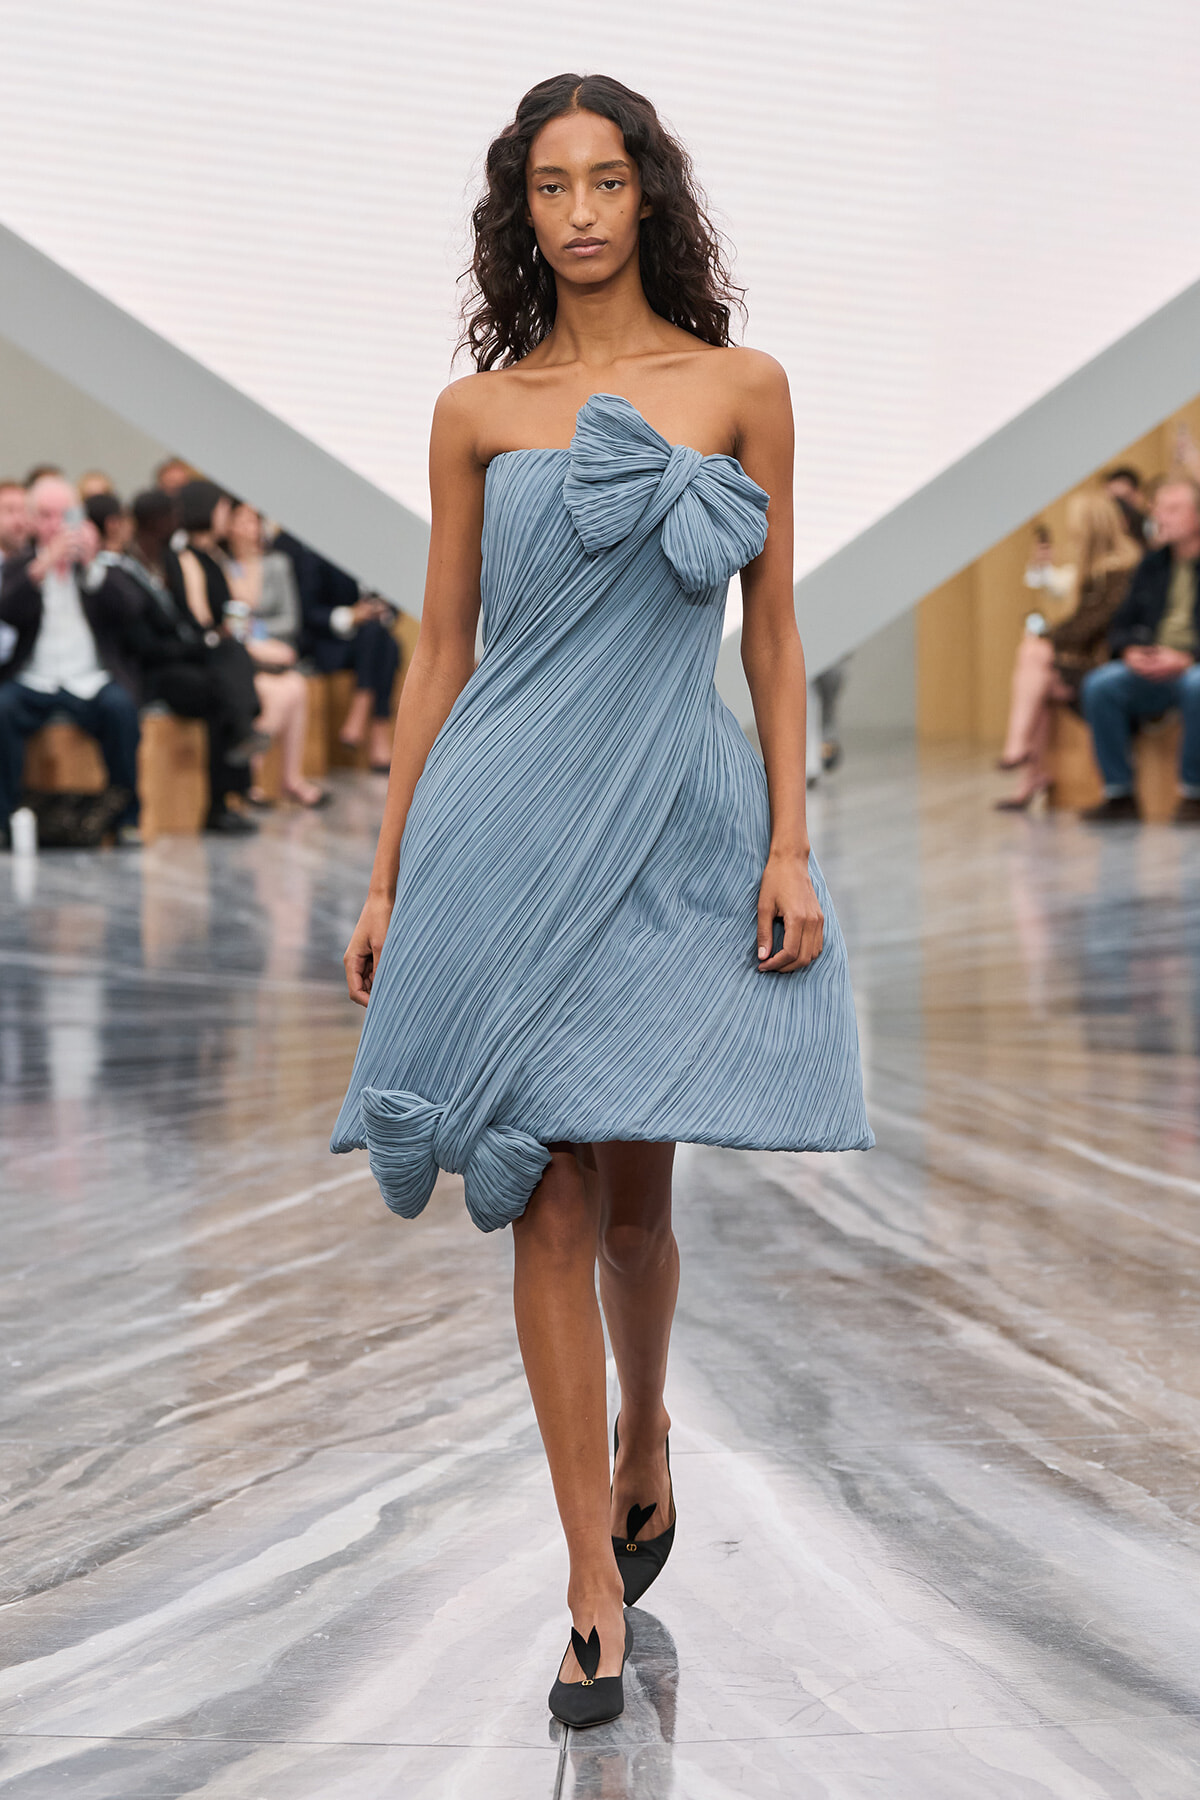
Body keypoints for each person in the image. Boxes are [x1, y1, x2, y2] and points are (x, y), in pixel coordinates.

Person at [329, 73, 872, 1728]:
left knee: (638, 1206)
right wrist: (389, 870)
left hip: (676, 821)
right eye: (551, 185)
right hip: (502, 821)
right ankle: (586, 1587)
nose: (579, 211)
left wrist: (790, 841)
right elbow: (441, 649)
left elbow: (773, 632)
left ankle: (647, 1430)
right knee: (547, 1202)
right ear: (523, 209)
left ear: (651, 197)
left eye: (607, 180)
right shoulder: (474, 413)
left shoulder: (742, 388)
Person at [0, 475, 141, 845]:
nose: (55, 525)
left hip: (88, 680)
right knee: (2, 708)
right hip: (34, 680)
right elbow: (8, 609)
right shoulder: (20, 566)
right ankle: (5, 819)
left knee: (122, 709)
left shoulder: (96, 565)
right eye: (45, 515)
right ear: (33, 520)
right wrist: (42, 566)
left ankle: (127, 818)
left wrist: (91, 566)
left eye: (64, 515)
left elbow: (129, 611)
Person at [115, 488, 262, 835]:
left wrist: (204, 641)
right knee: (218, 692)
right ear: (155, 521)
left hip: (180, 653)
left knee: (231, 653)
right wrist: (196, 645)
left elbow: (185, 619)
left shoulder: (165, 560)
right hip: (155, 669)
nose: (177, 521)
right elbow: (145, 643)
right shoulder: (127, 568)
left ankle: (243, 735)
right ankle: (221, 799)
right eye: (170, 515)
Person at [996, 493, 1139, 809]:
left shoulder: (1120, 571)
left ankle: (1018, 750)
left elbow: (1090, 625)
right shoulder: (1095, 571)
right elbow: (1070, 608)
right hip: (1090, 661)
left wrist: (1046, 637)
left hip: (1107, 662)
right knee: (1039, 678)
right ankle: (1031, 773)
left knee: (1034, 654)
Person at [1080, 478, 1200, 822]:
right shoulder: (1152, 564)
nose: (1161, 517)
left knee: (1197, 684)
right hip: (1152, 664)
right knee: (1101, 685)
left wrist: (1188, 658)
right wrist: (1130, 651)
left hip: (1191, 665)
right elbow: (1119, 626)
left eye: (1173, 509)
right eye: (1158, 509)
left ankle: (1194, 793)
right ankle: (1119, 793)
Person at [220, 500, 330, 809]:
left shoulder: (277, 564)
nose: (248, 528)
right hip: (241, 653)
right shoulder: (222, 566)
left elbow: (290, 619)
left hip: (270, 650)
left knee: (296, 685)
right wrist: (249, 639)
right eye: (241, 520)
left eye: (253, 520)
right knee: (280, 692)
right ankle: (249, 777)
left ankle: (290, 777)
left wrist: (256, 632)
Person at [277, 530, 400, 772]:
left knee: (384, 640)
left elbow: (394, 605)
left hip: (367, 643)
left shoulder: (377, 554)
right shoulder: (319, 553)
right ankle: (377, 731)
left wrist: (378, 612)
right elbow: (308, 612)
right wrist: (350, 616)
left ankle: (361, 712)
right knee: (383, 641)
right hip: (328, 644)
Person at [84, 491, 133, 558]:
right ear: (112, 524)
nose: (131, 528)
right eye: (124, 520)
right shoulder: (124, 563)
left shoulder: (84, 561)